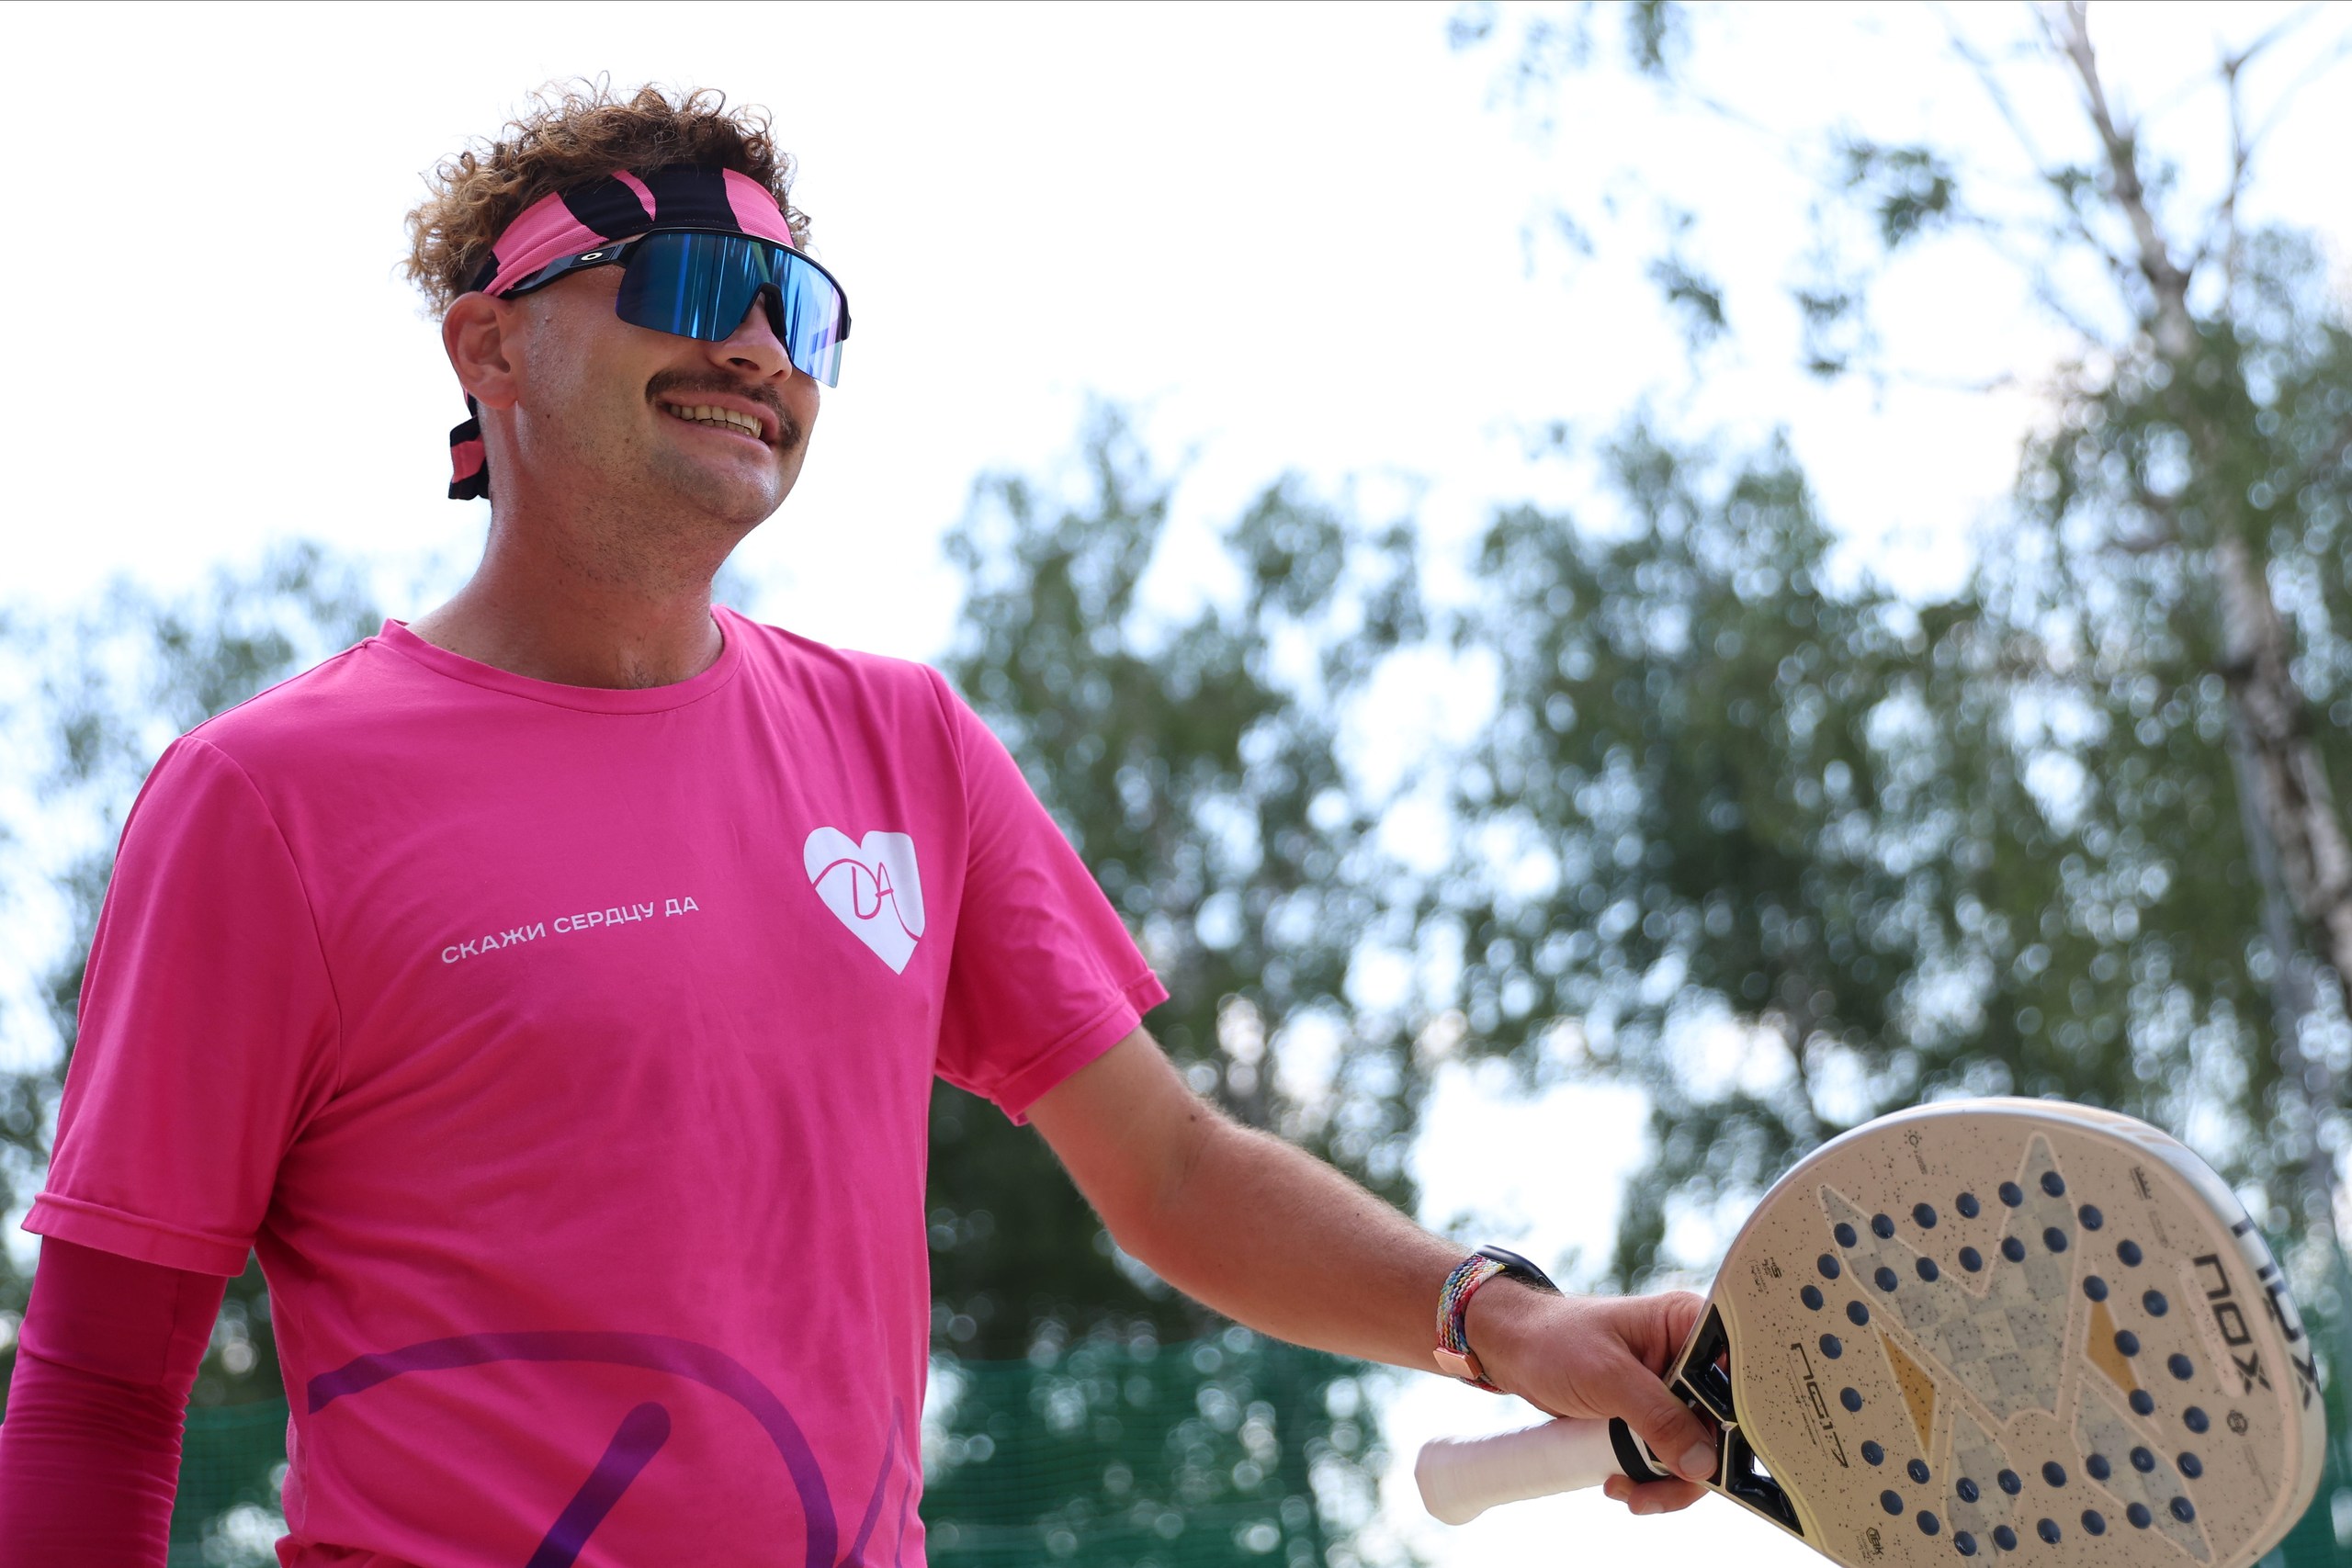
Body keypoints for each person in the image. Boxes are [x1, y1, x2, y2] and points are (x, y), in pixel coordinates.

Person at [0, 83, 1716, 1562]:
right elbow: (97, 1388)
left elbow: (1177, 1174)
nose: (757, 349)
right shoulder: (268, 801)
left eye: (797, 311)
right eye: (690, 283)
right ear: (490, 344)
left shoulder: (906, 747)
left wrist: (1503, 1317)